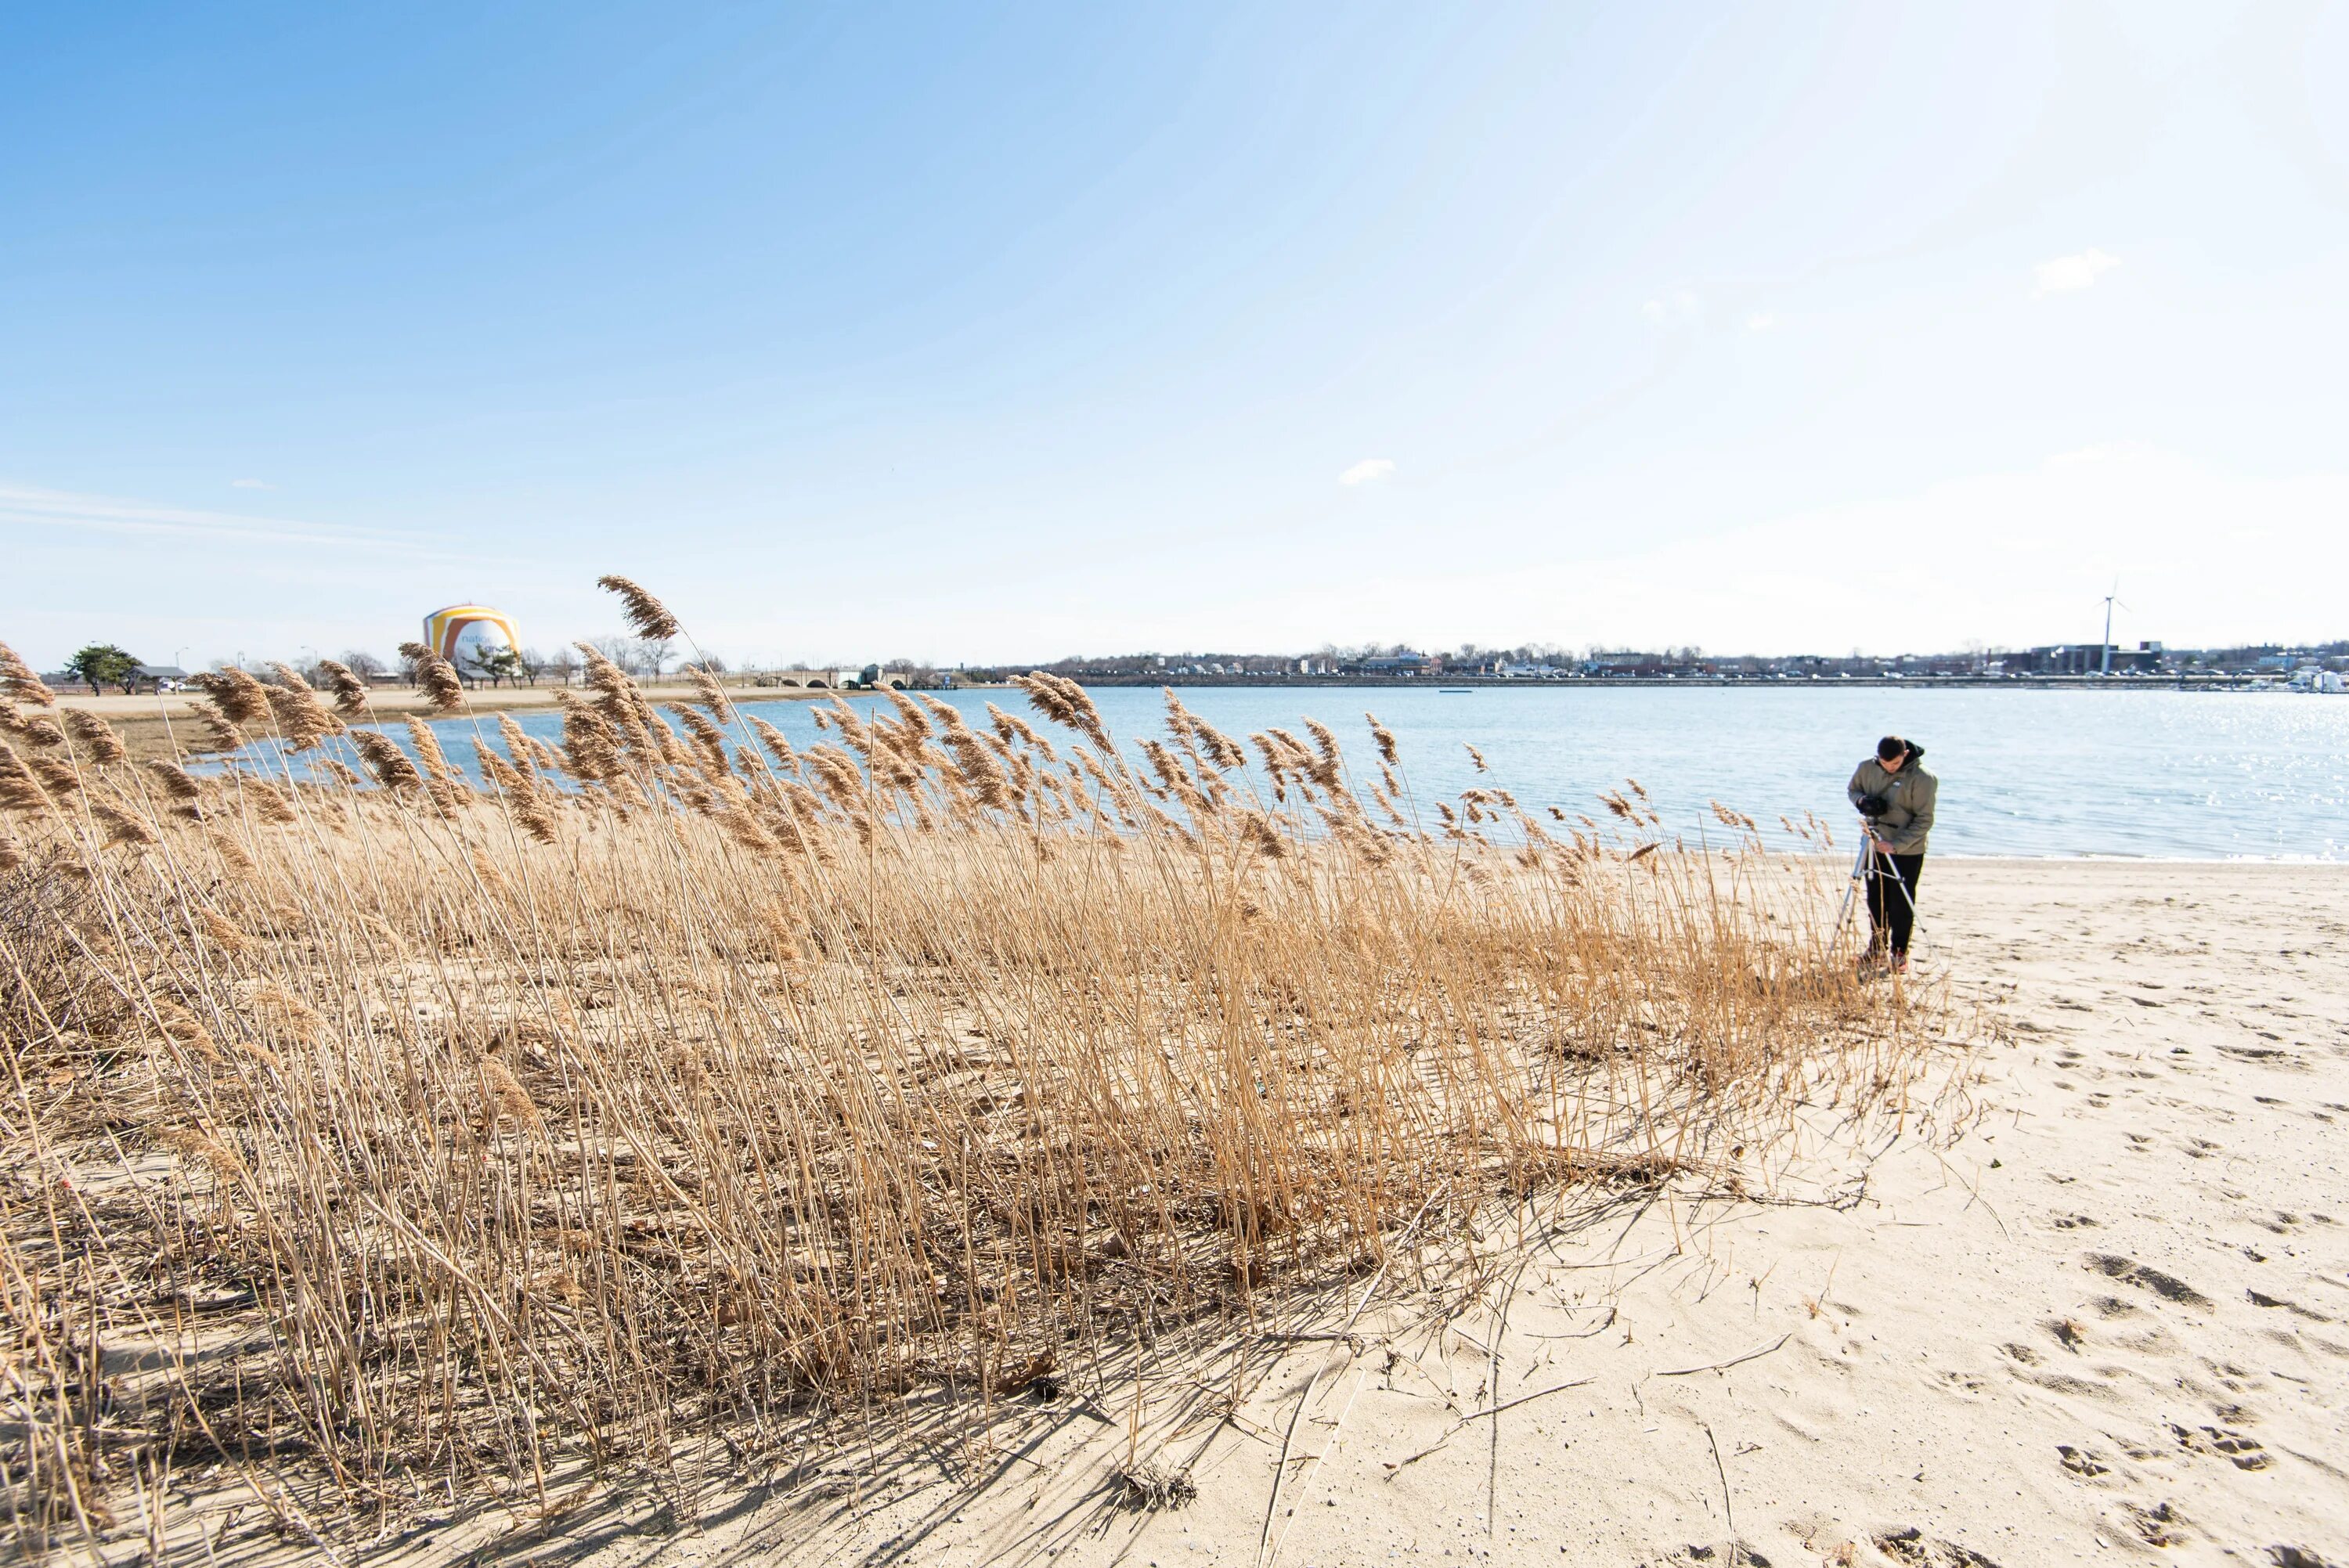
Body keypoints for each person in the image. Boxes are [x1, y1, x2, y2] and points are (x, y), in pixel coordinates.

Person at [1847, 734, 1936, 971]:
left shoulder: (1923, 778)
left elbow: (1925, 820)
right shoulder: (1867, 767)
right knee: (1875, 898)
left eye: (1895, 764)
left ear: (1904, 755)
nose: (1889, 768)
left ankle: (1899, 953)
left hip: (1907, 849)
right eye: (1885, 764)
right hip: (1873, 843)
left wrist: (1897, 845)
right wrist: (1862, 801)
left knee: (1901, 901)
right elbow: (1853, 789)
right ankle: (1876, 949)